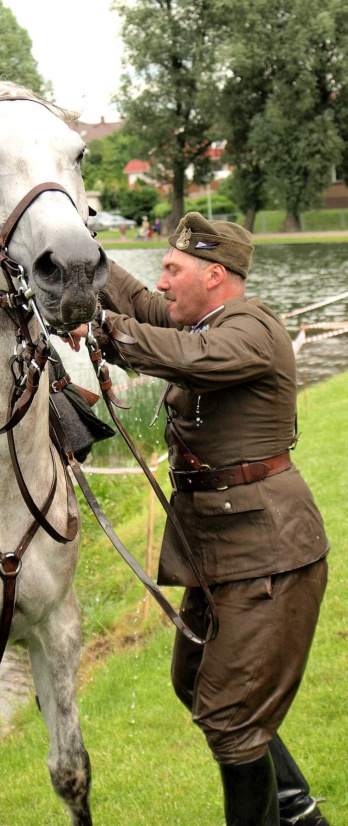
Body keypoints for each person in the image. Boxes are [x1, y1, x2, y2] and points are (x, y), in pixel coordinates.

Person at [63, 212, 330, 826]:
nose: (160, 282)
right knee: (196, 682)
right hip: (221, 548)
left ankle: (286, 814)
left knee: (231, 715)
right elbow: (131, 298)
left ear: (215, 275)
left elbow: (189, 357)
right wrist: (80, 248)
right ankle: (298, 812)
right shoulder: (198, 314)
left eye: (172, 271)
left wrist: (101, 327)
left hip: (268, 551)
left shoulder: (250, 328)